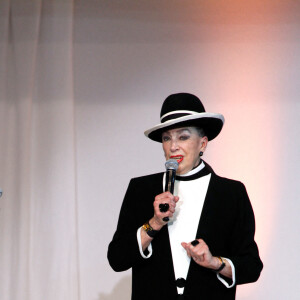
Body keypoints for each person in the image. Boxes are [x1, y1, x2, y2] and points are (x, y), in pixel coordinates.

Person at [107, 93, 263, 300]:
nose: (173, 146)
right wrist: (153, 223)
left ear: (203, 144)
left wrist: (214, 262)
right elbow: (117, 259)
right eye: (166, 138)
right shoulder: (142, 189)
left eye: (183, 136)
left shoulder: (230, 193)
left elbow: (251, 267)